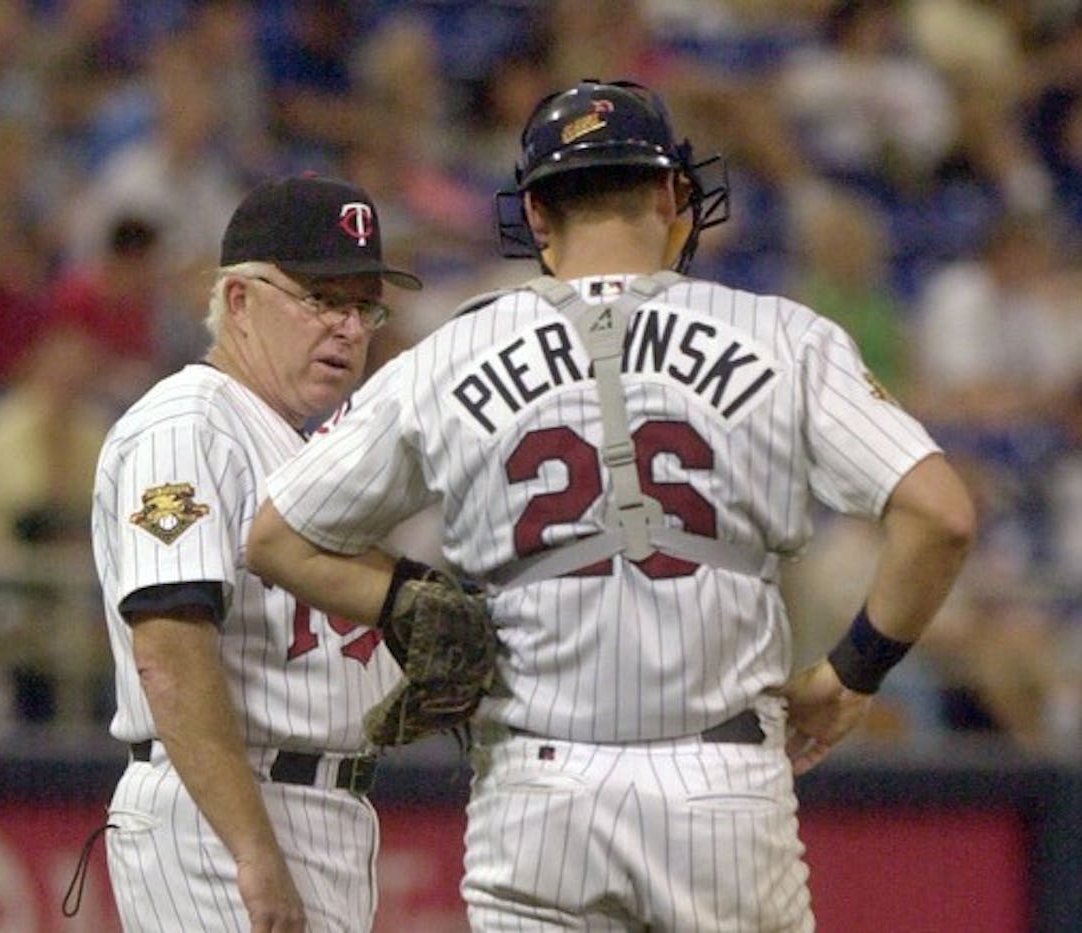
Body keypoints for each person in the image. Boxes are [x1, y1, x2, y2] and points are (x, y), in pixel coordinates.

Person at [247, 80, 976, 930]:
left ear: (537, 214)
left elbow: (277, 535)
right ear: (671, 193)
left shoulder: (449, 352)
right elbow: (941, 513)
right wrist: (851, 676)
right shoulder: (785, 335)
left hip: (538, 789)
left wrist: (404, 596)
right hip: (721, 783)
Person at [88, 174, 420, 932]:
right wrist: (251, 846)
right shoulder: (189, 424)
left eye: (362, 304)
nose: (347, 327)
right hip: (227, 810)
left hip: (315, 809)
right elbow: (168, 650)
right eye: (320, 298)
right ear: (238, 300)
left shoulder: (301, 448)